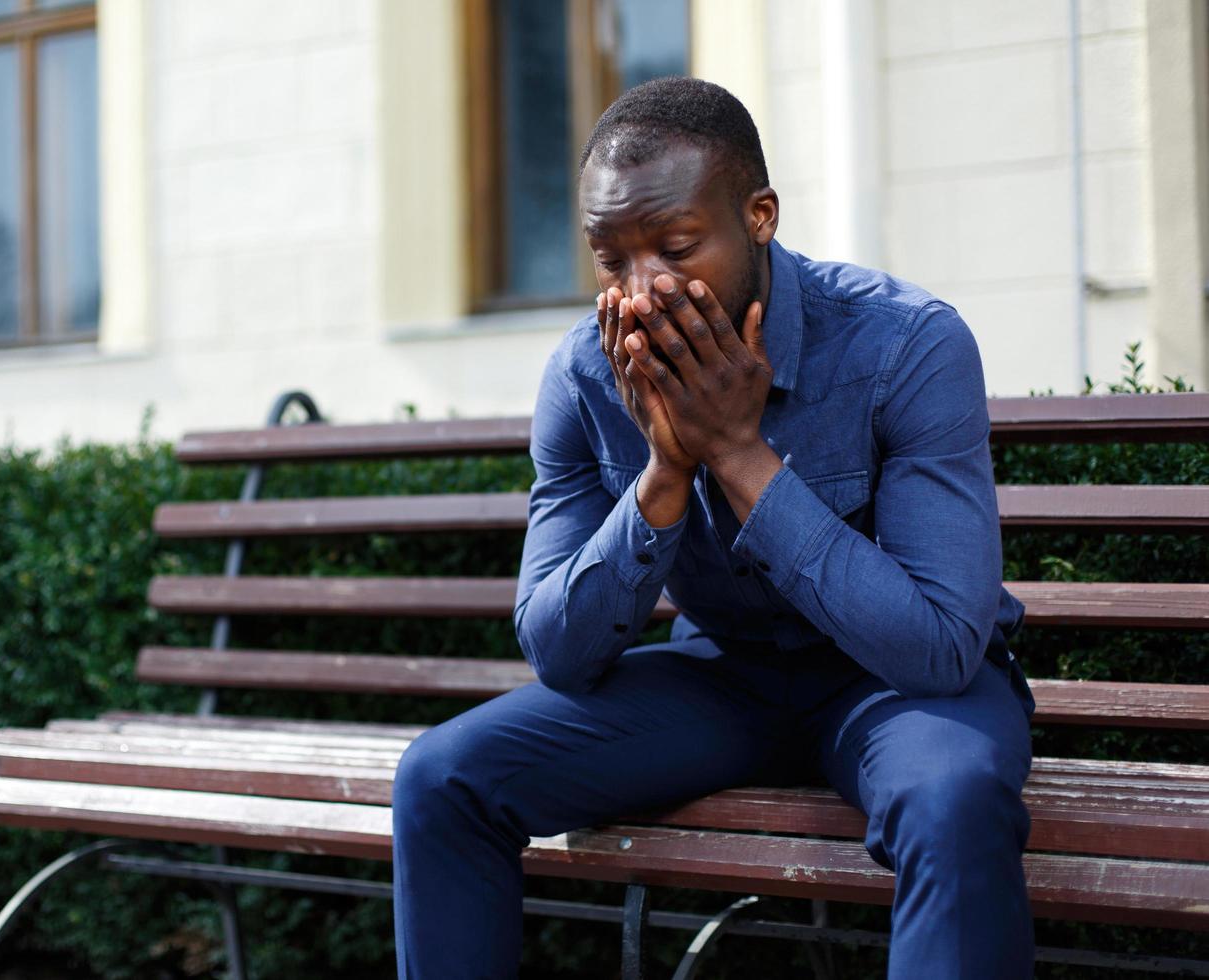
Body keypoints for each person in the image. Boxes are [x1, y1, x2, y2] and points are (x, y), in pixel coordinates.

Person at [391, 75, 1037, 979]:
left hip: (897, 690)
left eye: (678, 246)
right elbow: (559, 652)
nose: (642, 290)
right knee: (442, 778)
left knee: (953, 798)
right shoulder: (585, 374)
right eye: (610, 259)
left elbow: (938, 648)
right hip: (724, 682)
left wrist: (738, 454)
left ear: (760, 217)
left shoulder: (905, 344)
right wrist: (663, 474)